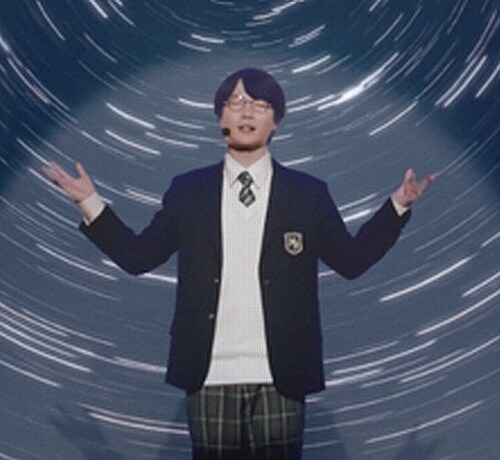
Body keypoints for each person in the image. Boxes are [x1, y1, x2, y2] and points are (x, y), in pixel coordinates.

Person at [43, 68, 436, 460]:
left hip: (282, 375)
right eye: (235, 103)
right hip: (210, 373)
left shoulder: (308, 194)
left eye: (259, 105)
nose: (246, 113)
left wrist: (396, 207)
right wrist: (89, 203)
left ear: (276, 121)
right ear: (220, 118)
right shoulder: (189, 191)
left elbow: (351, 260)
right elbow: (137, 256)